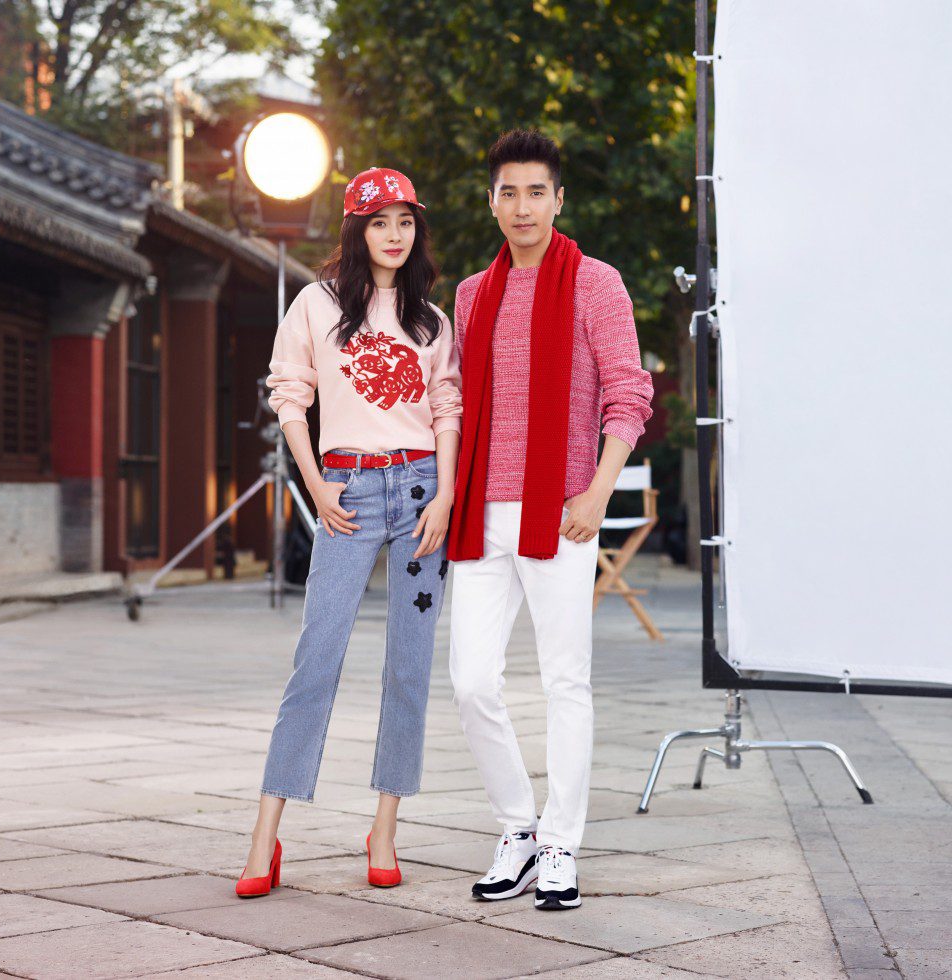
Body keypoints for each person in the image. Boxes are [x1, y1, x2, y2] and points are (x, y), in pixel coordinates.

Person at [235, 168, 462, 897]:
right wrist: (314, 481)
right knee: (317, 659)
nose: (395, 235)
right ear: (356, 231)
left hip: (421, 491)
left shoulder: (431, 319)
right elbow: (290, 393)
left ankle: (384, 828)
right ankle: (265, 837)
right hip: (349, 489)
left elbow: (447, 407)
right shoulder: (318, 303)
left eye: (405, 222)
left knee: (409, 666)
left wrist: (446, 494)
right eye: (379, 222)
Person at [447, 129, 654, 910]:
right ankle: (519, 827)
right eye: (509, 192)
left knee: (566, 681)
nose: (523, 206)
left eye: (537, 191)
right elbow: (458, 401)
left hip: (561, 512)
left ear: (559, 199)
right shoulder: (472, 294)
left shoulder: (596, 284)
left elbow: (627, 393)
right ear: (491, 202)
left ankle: (562, 842)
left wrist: (598, 490)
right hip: (479, 513)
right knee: (471, 682)